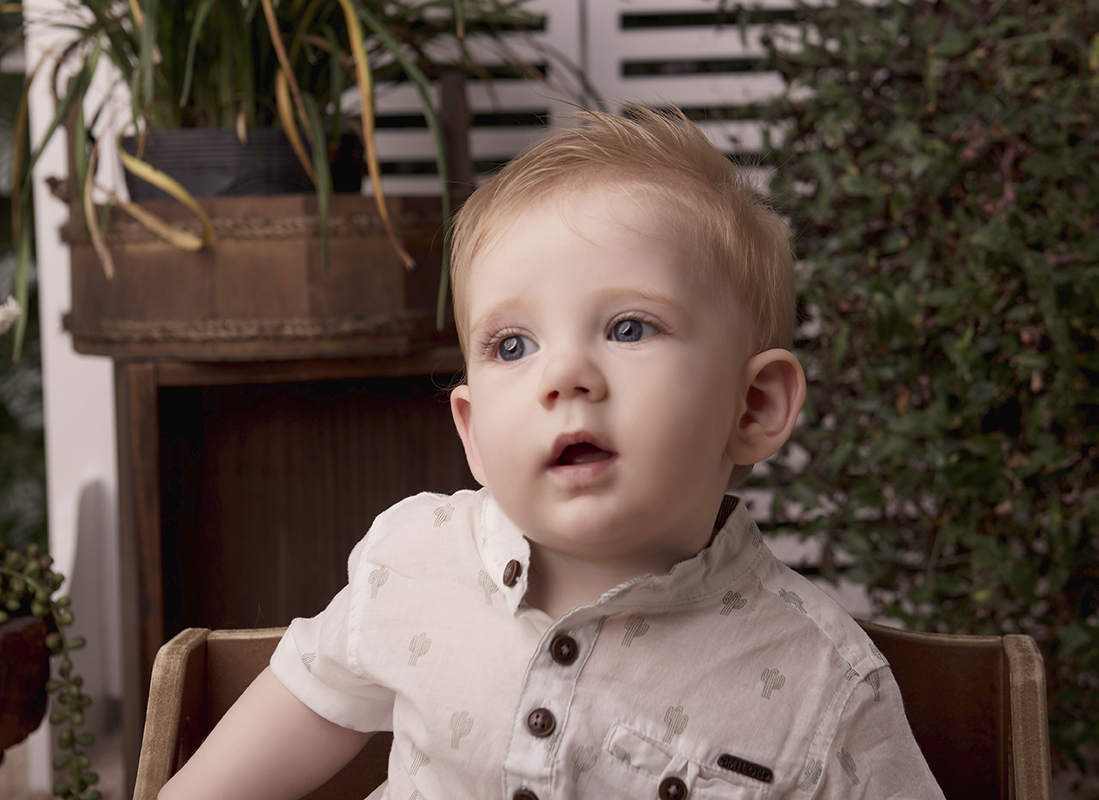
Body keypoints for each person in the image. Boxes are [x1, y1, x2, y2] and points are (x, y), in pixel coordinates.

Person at [158, 107, 944, 800]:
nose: (564, 374)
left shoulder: (823, 686)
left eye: (629, 327)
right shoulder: (414, 562)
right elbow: (306, 702)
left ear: (754, 406)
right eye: (512, 344)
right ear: (470, 430)